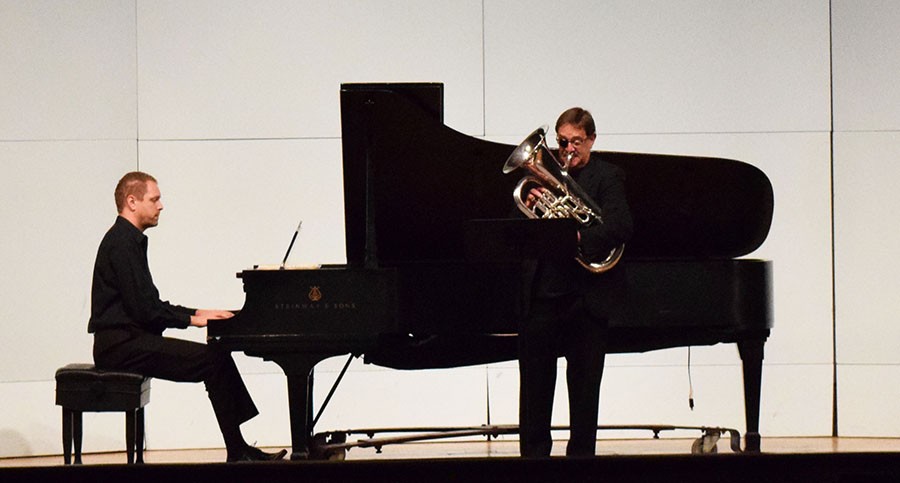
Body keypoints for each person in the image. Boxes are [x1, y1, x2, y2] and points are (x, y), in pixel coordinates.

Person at [88, 171, 287, 463]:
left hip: (128, 341)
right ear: (132, 201)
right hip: (120, 347)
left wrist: (198, 312)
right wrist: (195, 320)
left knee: (216, 357)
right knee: (213, 360)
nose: (161, 206)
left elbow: (149, 304)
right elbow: (146, 310)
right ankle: (238, 450)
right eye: (154, 199)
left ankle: (238, 448)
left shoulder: (129, 240)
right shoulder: (122, 243)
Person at [517, 107, 633, 457]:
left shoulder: (608, 176)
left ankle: (581, 463)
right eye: (562, 141)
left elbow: (621, 225)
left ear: (592, 140)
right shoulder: (540, 180)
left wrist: (577, 239)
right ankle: (533, 461)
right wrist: (535, 207)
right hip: (543, 298)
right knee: (535, 388)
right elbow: (517, 228)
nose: (568, 149)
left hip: (585, 299)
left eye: (576, 142)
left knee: (584, 392)